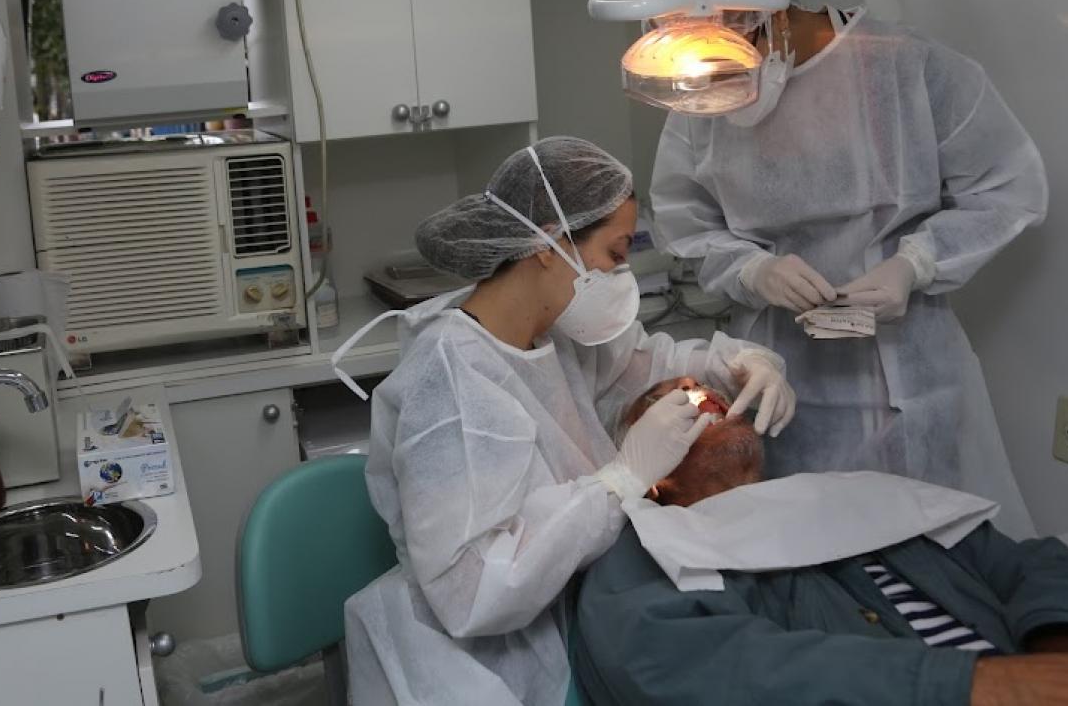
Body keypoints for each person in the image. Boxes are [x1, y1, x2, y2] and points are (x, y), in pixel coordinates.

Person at [339, 136, 795, 706]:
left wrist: (736, 364)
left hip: (571, 607)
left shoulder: (548, 331)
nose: (621, 274)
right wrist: (618, 483)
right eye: (616, 253)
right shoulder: (453, 385)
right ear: (550, 244)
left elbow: (643, 361)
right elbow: (473, 591)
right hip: (487, 662)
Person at [649, 0, 1049, 531]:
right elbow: (687, 223)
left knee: (934, 559)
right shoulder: (703, 87)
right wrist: (751, 270)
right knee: (812, 564)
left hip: (906, 379)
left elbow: (1008, 187)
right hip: (778, 382)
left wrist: (915, 264)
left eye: (740, 33)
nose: (727, 65)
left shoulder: (905, 69)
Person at [571, 379, 1068, 706]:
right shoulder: (648, 554)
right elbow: (704, 672)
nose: (709, 399)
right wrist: (976, 686)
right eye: (682, 405)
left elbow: (1035, 567)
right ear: (651, 468)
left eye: (714, 394)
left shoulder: (857, 499)